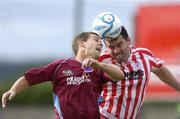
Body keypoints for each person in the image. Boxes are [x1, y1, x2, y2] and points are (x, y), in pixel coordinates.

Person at [1, 32, 125, 119]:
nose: (100, 44)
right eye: (96, 40)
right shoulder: (61, 65)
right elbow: (30, 78)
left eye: (101, 43)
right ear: (82, 44)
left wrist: (100, 65)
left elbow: (120, 75)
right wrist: (13, 90)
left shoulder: (99, 68)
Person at [92, 13, 180, 119]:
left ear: (129, 41)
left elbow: (161, 70)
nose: (116, 50)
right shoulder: (101, 60)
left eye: (119, 45)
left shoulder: (144, 56)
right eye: (111, 47)